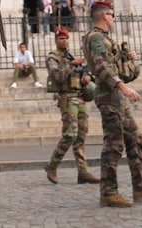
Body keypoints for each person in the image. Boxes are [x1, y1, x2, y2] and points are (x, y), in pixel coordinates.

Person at [83, 1, 142, 207]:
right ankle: (108, 192)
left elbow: (118, 69)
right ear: (104, 16)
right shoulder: (96, 38)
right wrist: (122, 87)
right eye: (112, 15)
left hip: (118, 97)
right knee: (113, 144)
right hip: (109, 97)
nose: (113, 18)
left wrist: (128, 59)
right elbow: (102, 68)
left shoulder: (107, 40)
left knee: (134, 138)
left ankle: (141, 187)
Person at [44, 29, 99, 184]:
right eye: (61, 38)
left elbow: (82, 73)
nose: (64, 41)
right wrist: (71, 65)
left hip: (79, 97)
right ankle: (52, 166)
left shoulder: (70, 56)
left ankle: (83, 172)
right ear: (56, 40)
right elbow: (58, 77)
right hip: (67, 99)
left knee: (81, 136)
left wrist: (87, 77)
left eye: (66, 38)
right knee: (69, 135)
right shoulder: (52, 58)